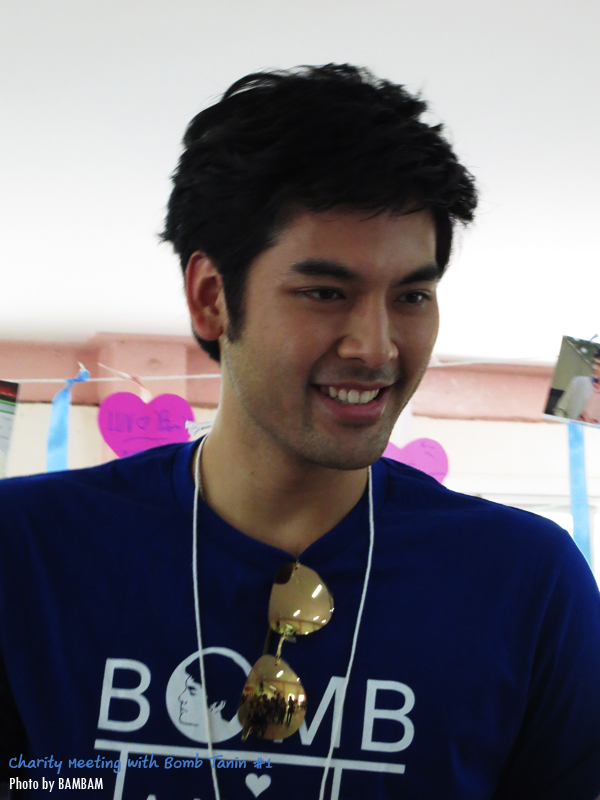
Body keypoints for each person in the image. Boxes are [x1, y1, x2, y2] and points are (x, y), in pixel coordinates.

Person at [1, 64, 599, 800]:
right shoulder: (28, 551)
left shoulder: (526, 583)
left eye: (412, 296)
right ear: (212, 298)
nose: (376, 347)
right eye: (324, 292)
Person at [554, 353, 600, 423]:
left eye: (599, 365)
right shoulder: (578, 382)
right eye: (594, 363)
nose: (594, 367)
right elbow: (560, 410)